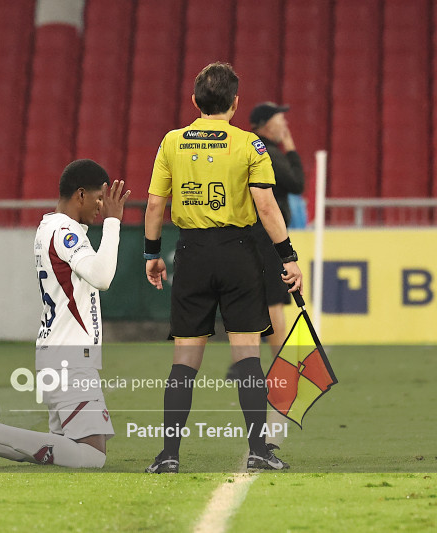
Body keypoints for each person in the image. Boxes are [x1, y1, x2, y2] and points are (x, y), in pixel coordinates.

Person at [142, 63, 302, 474]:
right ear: (235, 103)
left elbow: (157, 204)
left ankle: (169, 455)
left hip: (191, 254)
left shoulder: (172, 142)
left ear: (195, 101)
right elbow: (266, 205)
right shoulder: (251, 145)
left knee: (184, 360)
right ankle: (258, 450)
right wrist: (288, 256)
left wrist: (152, 254)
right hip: (238, 252)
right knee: (247, 355)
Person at [0, 159, 130, 473]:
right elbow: (102, 277)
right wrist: (114, 223)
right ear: (80, 195)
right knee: (91, 456)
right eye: (99, 198)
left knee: (61, 447)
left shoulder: (50, 226)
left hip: (59, 353)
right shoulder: (65, 231)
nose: (103, 206)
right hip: (69, 357)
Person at [225, 102, 305, 380]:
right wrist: (291, 146)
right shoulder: (267, 152)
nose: (284, 125)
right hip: (265, 235)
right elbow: (297, 183)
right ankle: (281, 366)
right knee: (273, 299)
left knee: (245, 300)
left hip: (240, 235)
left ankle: (242, 364)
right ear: (265, 124)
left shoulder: (244, 148)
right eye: (280, 120)